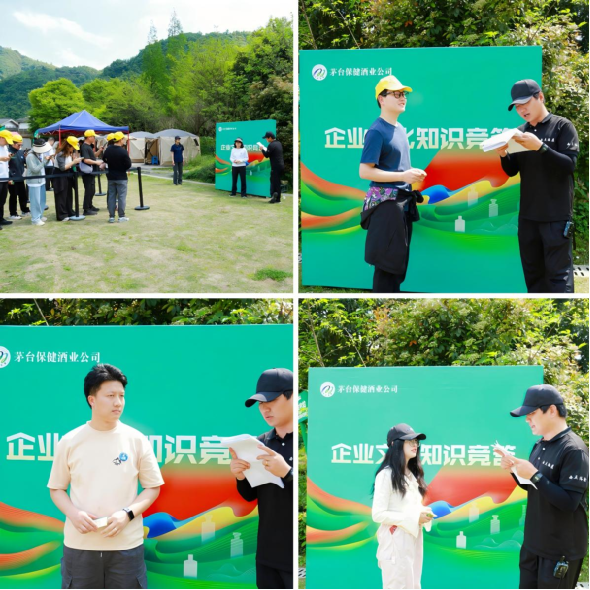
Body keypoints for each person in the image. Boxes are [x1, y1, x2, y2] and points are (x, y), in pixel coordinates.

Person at [48, 364, 164, 590]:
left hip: (126, 547)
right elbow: (56, 489)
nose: (118, 402)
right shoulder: (70, 441)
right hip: (80, 547)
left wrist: (127, 514)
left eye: (121, 396)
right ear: (91, 399)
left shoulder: (136, 440)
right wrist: (74, 514)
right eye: (110, 396)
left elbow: (152, 487)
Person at [496, 384, 589, 589]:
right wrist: (515, 470)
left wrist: (535, 475)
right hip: (533, 545)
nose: (527, 419)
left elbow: (569, 502)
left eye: (531, 413)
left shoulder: (574, 450)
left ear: (552, 410)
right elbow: (534, 487)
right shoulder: (540, 445)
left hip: (560, 551)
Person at [495, 79, 579, 293]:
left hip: (556, 217)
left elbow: (569, 166)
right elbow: (512, 170)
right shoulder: (519, 132)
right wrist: (503, 154)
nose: (522, 110)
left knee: (559, 277)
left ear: (540, 97)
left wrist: (541, 147)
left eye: (525, 103)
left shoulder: (562, 126)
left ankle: (562, 311)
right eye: (517, 106)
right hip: (528, 218)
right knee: (533, 275)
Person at [359, 75, 427, 294]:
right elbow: (365, 171)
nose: (402, 98)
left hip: (402, 204)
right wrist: (403, 175)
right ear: (381, 99)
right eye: (396, 94)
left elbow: (396, 167)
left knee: (398, 265)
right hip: (386, 206)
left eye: (403, 94)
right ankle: (383, 307)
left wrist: (410, 174)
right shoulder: (376, 131)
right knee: (387, 266)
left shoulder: (400, 128)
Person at [228, 368, 294, 589]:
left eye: (271, 401)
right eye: (260, 403)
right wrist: (240, 476)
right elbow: (250, 496)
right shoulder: (261, 443)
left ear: (291, 396)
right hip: (267, 554)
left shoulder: (308, 440)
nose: (265, 409)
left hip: (294, 555)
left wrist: (287, 473)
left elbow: (314, 497)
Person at [372, 423, 433, 589]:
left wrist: (423, 514)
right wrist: (414, 517)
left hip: (413, 536)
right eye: (409, 441)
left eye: (416, 441)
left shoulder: (411, 474)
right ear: (395, 444)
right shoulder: (386, 475)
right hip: (395, 538)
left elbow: (407, 507)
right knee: (397, 585)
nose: (415, 445)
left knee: (413, 584)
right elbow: (378, 514)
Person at [103, 131, 132, 223]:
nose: (124, 141)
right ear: (120, 140)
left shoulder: (108, 149)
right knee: (121, 197)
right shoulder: (123, 151)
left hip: (111, 176)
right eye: (123, 139)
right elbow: (128, 164)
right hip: (121, 176)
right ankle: (121, 216)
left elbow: (104, 159)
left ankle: (111, 216)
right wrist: (122, 167)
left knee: (111, 196)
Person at [53, 137, 82, 222]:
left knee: (68, 195)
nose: (73, 149)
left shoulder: (69, 153)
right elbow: (62, 168)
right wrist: (73, 162)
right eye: (73, 147)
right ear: (68, 146)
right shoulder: (60, 154)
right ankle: (61, 215)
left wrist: (74, 160)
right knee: (61, 196)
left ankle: (69, 211)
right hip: (59, 176)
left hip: (68, 175)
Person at [25, 138, 51, 226]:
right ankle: (35, 219)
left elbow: (42, 166)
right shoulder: (30, 156)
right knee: (35, 201)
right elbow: (35, 170)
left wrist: (47, 160)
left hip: (41, 180)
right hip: (34, 182)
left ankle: (39, 216)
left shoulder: (40, 153)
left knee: (42, 200)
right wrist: (44, 161)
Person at [80, 129, 104, 215]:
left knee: (92, 190)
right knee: (89, 190)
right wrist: (96, 162)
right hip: (87, 172)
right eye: (93, 136)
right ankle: (86, 209)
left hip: (91, 171)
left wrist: (99, 150)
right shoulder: (84, 147)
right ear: (89, 137)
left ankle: (90, 205)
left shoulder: (88, 146)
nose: (94, 138)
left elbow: (93, 156)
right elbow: (86, 160)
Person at [7, 132, 31, 219]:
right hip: (12, 178)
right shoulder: (8, 152)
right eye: (18, 145)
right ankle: (13, 213)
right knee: (13, 196)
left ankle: (24, 210)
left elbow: (25, 162)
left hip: (20, 177)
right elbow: (5, 166)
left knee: (23, 195)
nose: (20, 146)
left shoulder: (20, 152)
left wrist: (27, 157)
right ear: (13, 143)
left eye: (21, 145)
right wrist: (9, 178)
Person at [257, 131, 284, 203]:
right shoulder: (278, 143)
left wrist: (262, 149)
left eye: (266, 138)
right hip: (281, 166)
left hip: (275, 167)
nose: (266, 139)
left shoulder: (271, 145)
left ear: (270, 138)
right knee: (276, 181)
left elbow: (266, 155)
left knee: (274, 182)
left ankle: (276, 198)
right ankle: (275, 197)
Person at [0, 129, 15, 230]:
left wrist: (8, 157)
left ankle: (1, 218)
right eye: (6, 140)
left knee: (2, 200)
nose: (7, 143)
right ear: (1, 138)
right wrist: (1, 159)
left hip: (4, 177)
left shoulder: (5, 147)